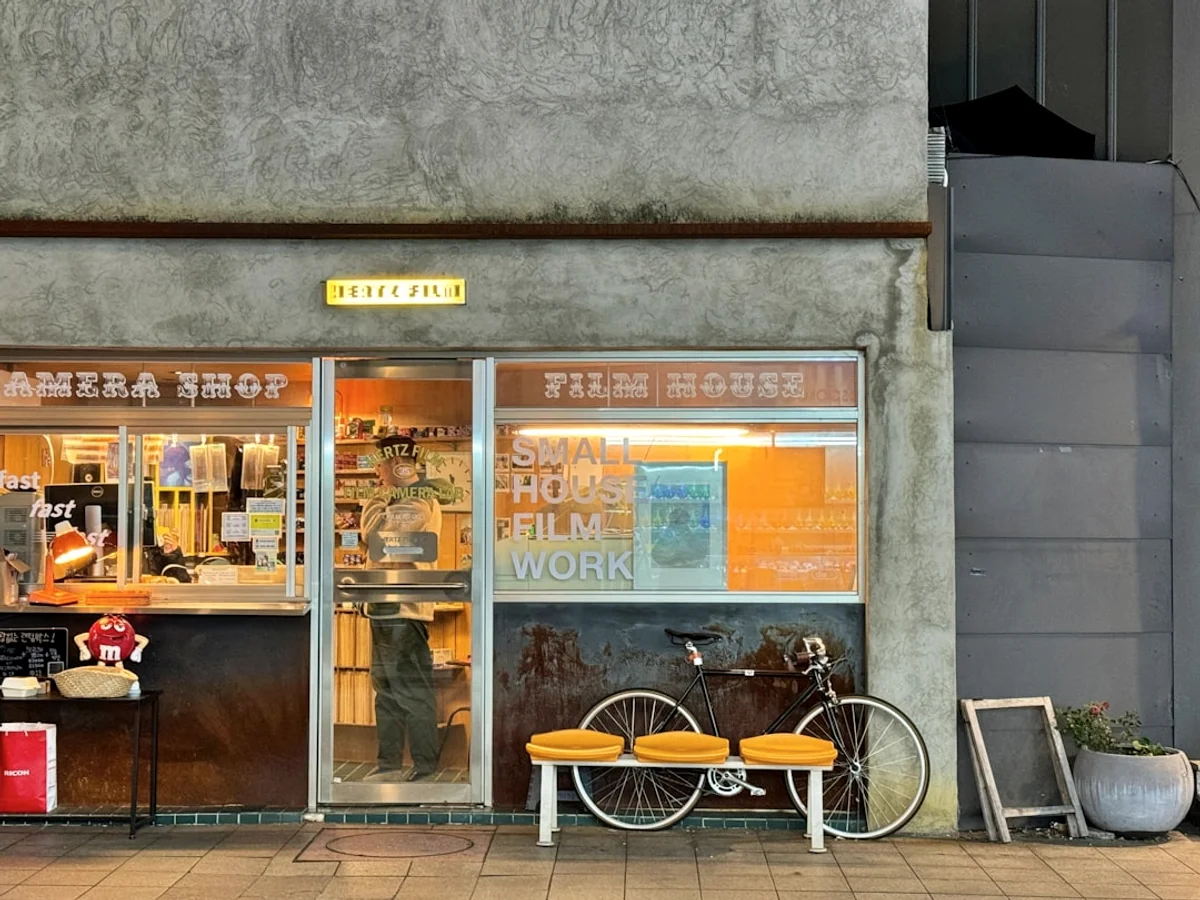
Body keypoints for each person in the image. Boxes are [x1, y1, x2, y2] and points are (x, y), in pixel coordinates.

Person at [358, 434, 456, 782]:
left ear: (398, 463)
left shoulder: (418, 498)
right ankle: (388, 764)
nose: (377, 472)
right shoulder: (400, 497)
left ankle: (425, 767)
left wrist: (377, 500)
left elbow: (377, 538)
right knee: (385, 689)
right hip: (384, 605)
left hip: (404, 608)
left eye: (380, 464)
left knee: (411, 689)